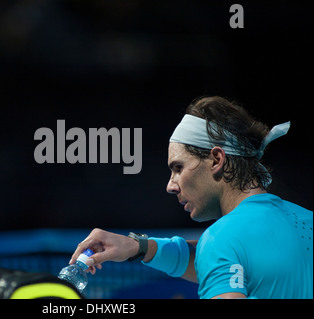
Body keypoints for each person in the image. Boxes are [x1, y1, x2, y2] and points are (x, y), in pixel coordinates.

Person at [69, 96, 313, 299]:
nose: (170, 186)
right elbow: (234, 262)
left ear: (217, 160)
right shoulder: (307, 221)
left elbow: (222, 252)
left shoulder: (221, 241)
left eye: (178, 168)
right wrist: (138, 247)